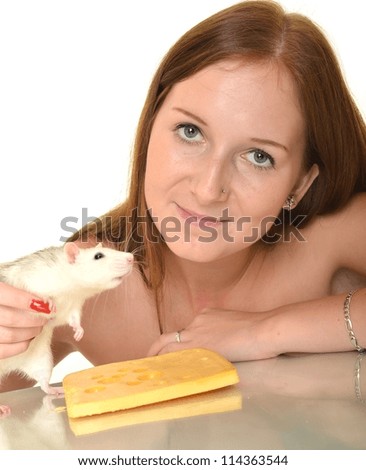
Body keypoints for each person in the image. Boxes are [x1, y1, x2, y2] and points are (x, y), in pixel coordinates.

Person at [1, 0, 365, 393]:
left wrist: (265, 331)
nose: (209, 190)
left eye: (259, 157)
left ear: (299, 185)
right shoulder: (90, 289)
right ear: (151, 123)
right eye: (191, 132)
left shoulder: (335, 235)